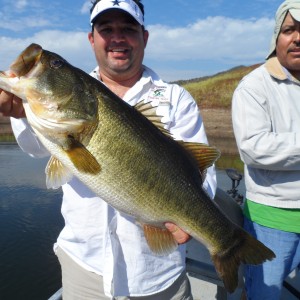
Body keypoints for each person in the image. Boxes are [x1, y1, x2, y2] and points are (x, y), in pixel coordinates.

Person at [0, 0, 217, 299]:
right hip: (84, 267)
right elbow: (36, 149)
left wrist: (201, 223)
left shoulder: (175, 99)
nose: (117, 38)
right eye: (106, 29)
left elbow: (204, 177)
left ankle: (227, 246)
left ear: (145, 37)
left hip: (158, 274)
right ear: (92, 39)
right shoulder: (71, 106)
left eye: (128, 29)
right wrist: (24, 113)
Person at [232, 1, 300, 299]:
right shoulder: (254, 86)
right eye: (289, 30)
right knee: (264, 294)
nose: (297, 37)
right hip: (272, 219)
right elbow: (254, 149)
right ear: (277, 37)